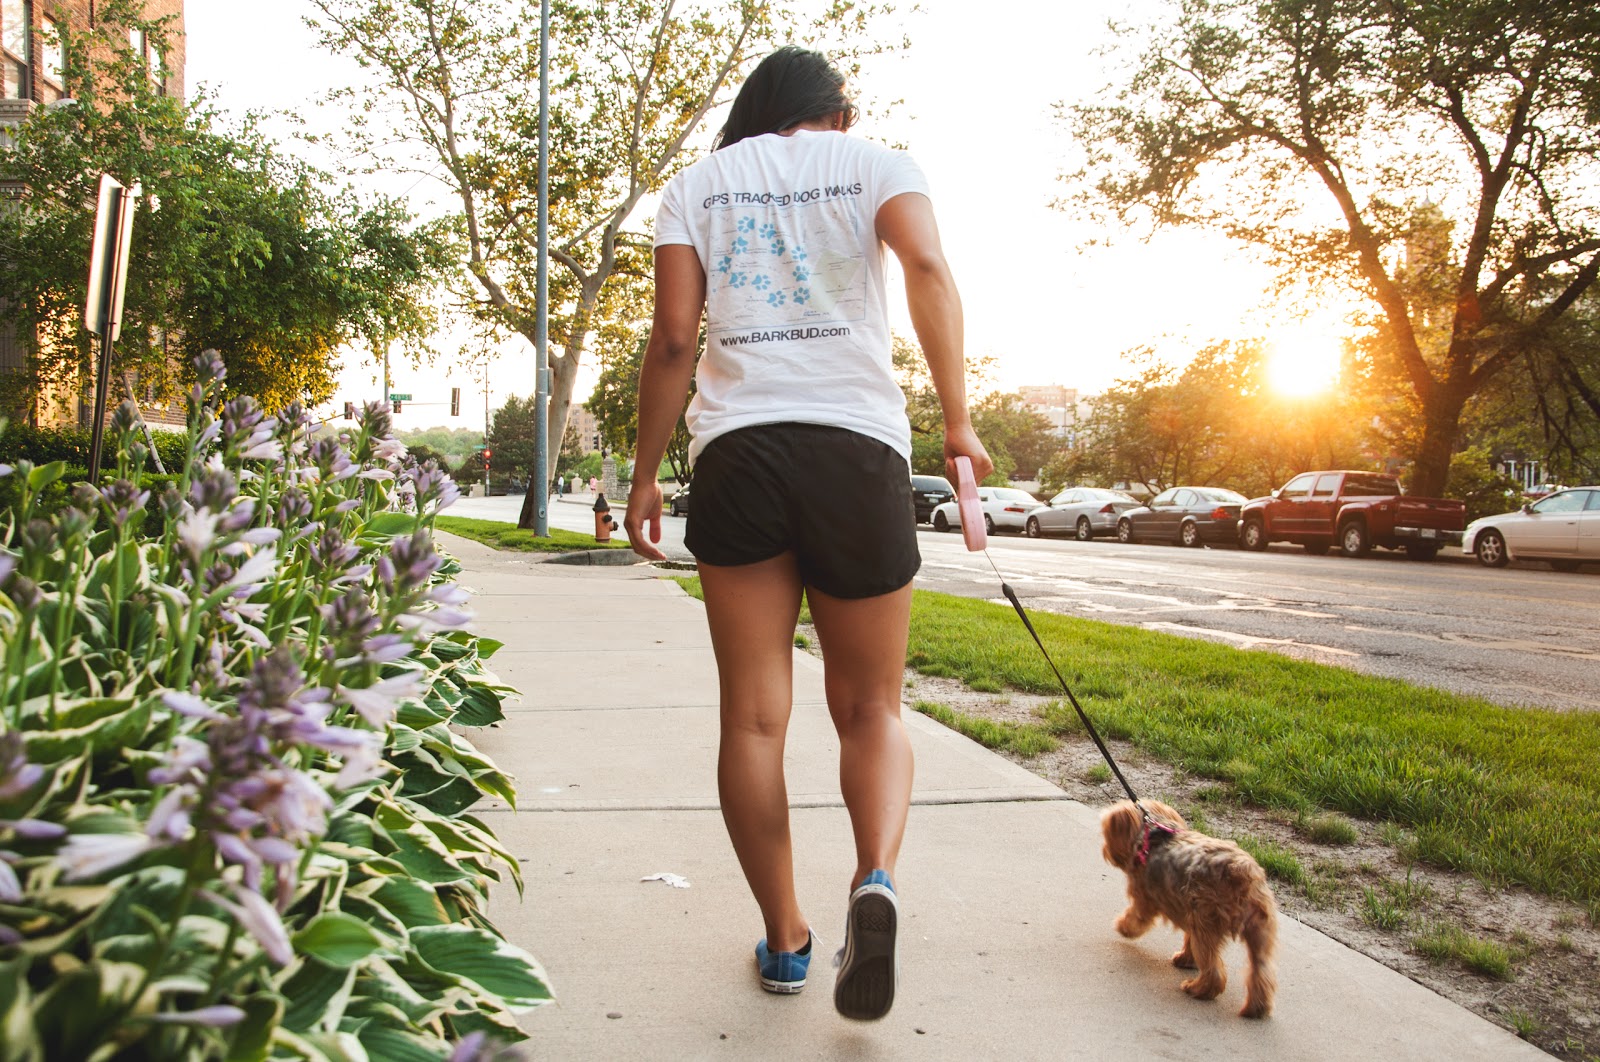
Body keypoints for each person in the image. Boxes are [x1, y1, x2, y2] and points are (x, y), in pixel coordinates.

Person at [624, 45, 991, 1022]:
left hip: (738, 457)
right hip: (854, 451)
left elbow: (672, 337)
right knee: (871, 707)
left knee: (751, 717)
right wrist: (957, 419)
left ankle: (785, 940)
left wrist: (643, 475)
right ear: (831, 110)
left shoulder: (696, 187)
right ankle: (874, 877)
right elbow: (925, 266)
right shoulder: (877, 163)